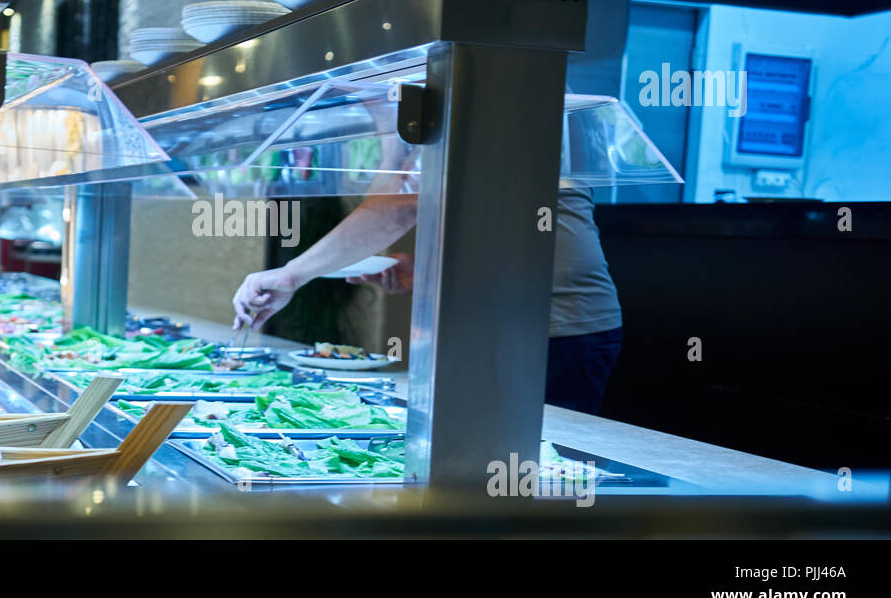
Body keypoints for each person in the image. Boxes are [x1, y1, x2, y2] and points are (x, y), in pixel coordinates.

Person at [231, 107, 623, 415]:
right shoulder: (432, 101)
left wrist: (290, 275)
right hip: (489, 321)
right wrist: (431, 275)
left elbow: (395, 210)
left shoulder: (492, 84)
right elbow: (396, 194)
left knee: (526, 477)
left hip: (556, 328)